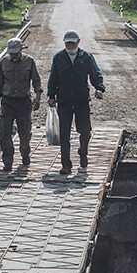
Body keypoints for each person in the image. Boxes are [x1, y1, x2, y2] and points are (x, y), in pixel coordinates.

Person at [47, 30, 105, 174]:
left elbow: (95, 74)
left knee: (85, 132)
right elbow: (53, 77)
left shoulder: (86, 57)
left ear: (78, 41)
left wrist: (99, 88)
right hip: (64, 101)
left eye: (73, 42)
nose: (70, 45)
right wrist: (51, 95)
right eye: (68, 42)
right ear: (64, 42)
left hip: (81, 100)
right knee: (64, 134)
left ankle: (83, 152)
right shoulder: (59, 58)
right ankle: (66, 165)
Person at [0, 37, 42, 172]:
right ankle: (7, 161)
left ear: (21, 49)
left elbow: (36, 81)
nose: (13, 55)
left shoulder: (29, 62)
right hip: (8, 102)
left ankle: (25, 154)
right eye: (11, 53)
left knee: (24, 133)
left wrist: (38, 97)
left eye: (16, 52)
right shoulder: (3, 63)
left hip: (23, 102)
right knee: (4, 132)